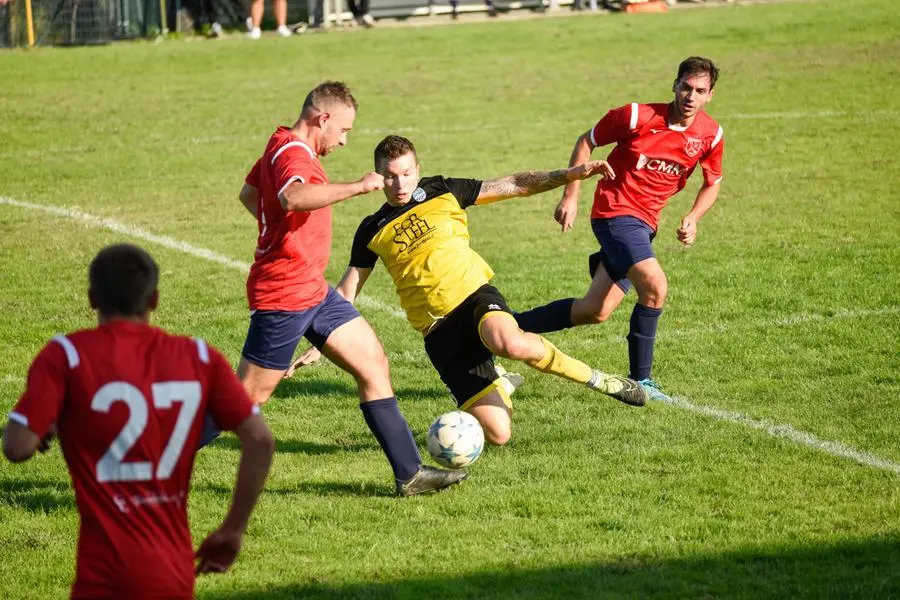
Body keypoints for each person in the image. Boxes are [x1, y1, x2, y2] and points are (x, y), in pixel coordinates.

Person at [289, 135, 648, 447]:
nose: (400, 183)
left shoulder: (443, 190)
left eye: (407, 173)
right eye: (390, 175)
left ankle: (601, 380)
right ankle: (501, 383)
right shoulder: (371, 229)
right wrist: (322, 341)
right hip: (438, 334)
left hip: (475, 298)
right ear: (378, 177)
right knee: (499, 433)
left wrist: (569, 175)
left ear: (418, 168)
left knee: (511, 343)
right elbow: (349, 288)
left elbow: (515, 183)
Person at [223, 82, 465, 497]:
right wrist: (357, 186)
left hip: (312, 289)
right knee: (243, 401)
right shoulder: (293, 154)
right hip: (284, 294)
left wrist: (278, 233)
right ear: (324, 119)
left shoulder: (279, 142)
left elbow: (251, 195)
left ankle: (410, 474)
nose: (345, 139)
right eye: (344, 131)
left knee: (373, 363)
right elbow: (293, 196)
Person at [2, 244, 275, 599]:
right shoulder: (198, 356)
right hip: (173, 574)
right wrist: (233, 529)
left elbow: (17, 446)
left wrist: (52, 420)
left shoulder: (66, 356)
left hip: (102, 577)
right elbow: (260, 440)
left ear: (91, 299)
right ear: (155, 300)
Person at [514, 56, 725, 401]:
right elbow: (587, 141)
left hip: (645, 226)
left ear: (709, 96)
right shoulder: (635, 116)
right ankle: (641, 382)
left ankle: (505, 327)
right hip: (614, 215)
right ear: (674, 85)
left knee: (594, 311)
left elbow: (712, 182)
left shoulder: (711, 135)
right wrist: (571, 195)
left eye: (700, 90)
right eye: (685, 87)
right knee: (655, 286)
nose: (690, 96)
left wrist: (694, 216)